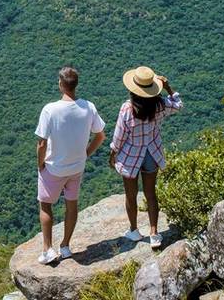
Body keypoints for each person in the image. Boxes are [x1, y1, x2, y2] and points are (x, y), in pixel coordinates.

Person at [34, 65, 107, 265]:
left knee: (46, 205)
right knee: (71, 205)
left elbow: (42, 143)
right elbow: (100, 135)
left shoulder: (50, 109)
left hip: (54, 167)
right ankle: (65, 246)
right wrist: (86, 154)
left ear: (60, 84)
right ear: (76, 85)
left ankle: (48, 250)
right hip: (76, 167)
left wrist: (40, 165)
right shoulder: (88, 107)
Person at [109, 65, 183, 248]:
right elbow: (178, 105)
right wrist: (169, 88)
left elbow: (119, 137)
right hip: (152, 152)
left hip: (130, 156)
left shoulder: (127, 109)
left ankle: (134, 230)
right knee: (151, 194)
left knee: (130, 195)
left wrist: (113, 153)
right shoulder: (160, 105)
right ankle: (154, 233)